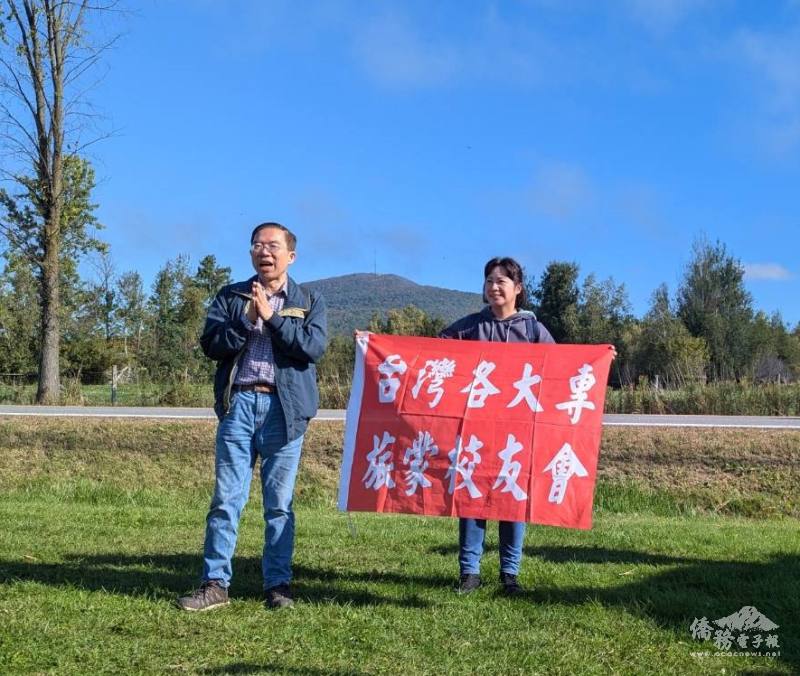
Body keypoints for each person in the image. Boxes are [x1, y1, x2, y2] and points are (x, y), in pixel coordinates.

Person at [177, 221, 327, 611]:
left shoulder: (309, 300)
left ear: (290, 255)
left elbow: (311, 349)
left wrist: (272, 319)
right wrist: (246, 321)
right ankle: (215, 584)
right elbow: (211, 345)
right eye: (258, 245)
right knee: (226, 499)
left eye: (273, 246)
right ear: (250, 254)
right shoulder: (231, 296)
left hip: (285, 410)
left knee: (279, 504)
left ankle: (278, 586)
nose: (265, 252)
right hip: (239, 406)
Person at [439, 256, 554, 596]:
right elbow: (434, 350)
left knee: (512, 499)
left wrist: (601, 357)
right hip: (476, 427)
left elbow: (562, 364)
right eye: (489, 280)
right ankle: (469, 572)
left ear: (518, 289)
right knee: (473, 497)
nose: (494, 287)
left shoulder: (532, 329)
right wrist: (374, 344)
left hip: (517, 429)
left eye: (502, 281)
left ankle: (510, 574)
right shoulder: (472, 325)